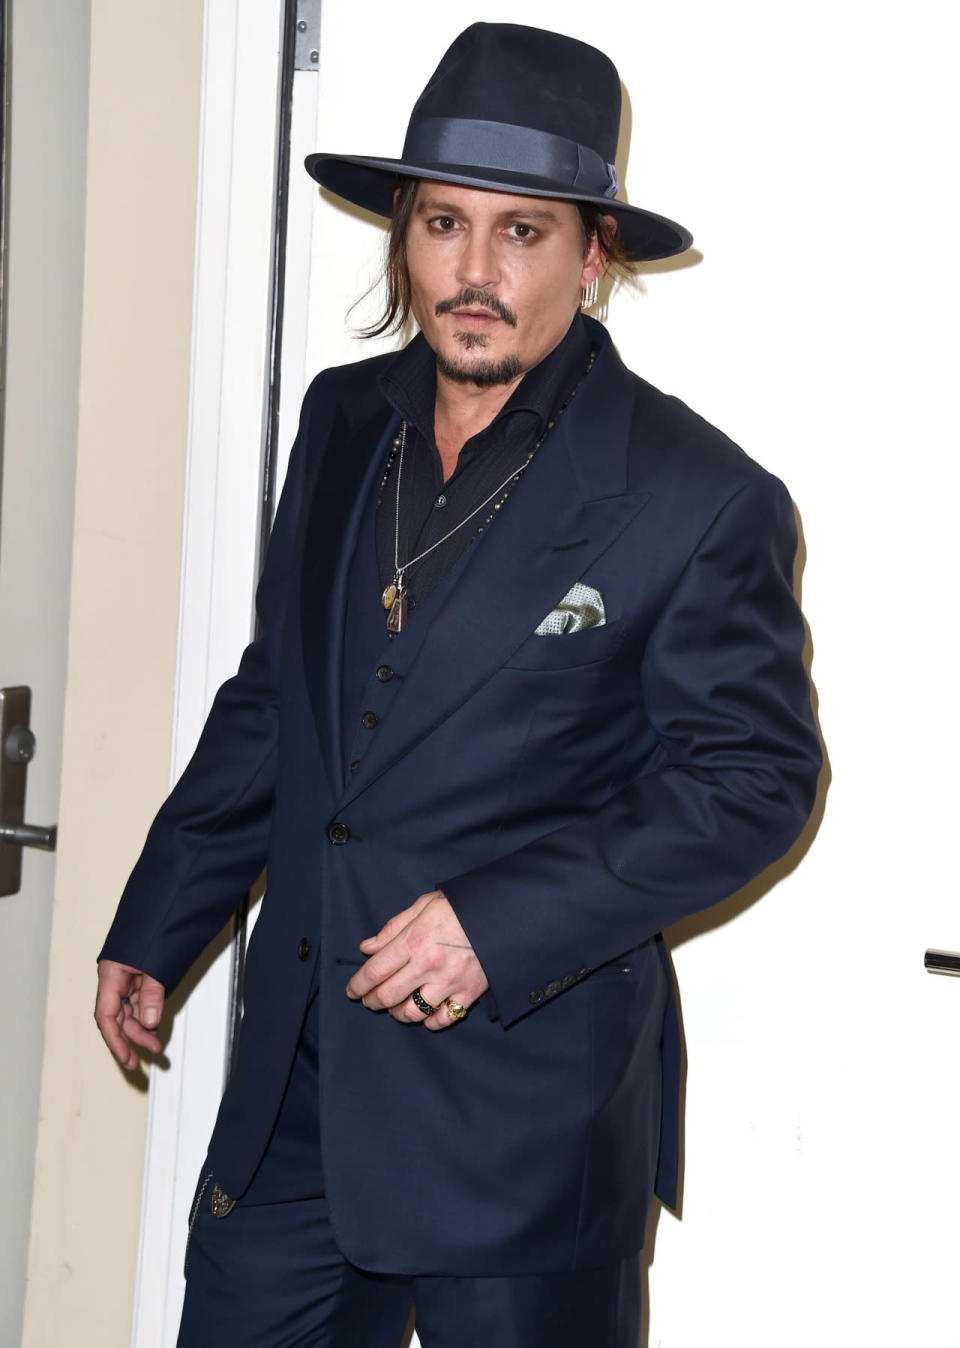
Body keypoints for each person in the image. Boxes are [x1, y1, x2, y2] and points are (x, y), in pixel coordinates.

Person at [95, 22, 821, 1347]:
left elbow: (756, 781)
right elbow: (278, 699)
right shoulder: (340, 419)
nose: (474, 273)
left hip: (521, 1127)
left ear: (595, 255)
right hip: (296, 1101)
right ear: (403, 236)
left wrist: (501, 921)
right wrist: (161, 919)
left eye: (524, 232)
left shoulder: (698, 499)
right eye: (443, 223)